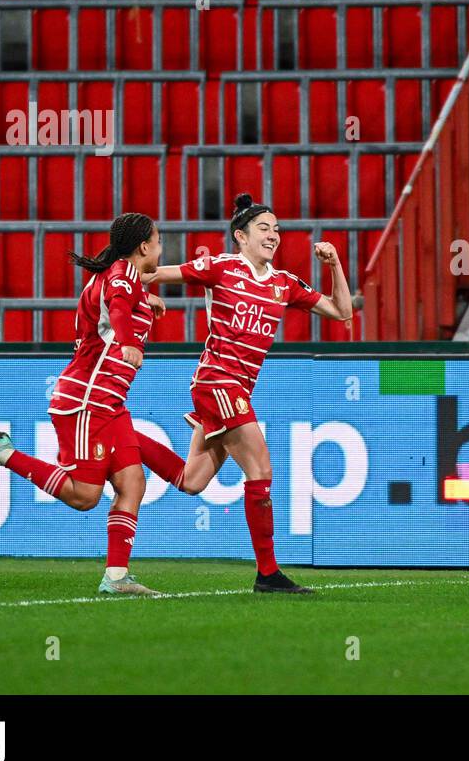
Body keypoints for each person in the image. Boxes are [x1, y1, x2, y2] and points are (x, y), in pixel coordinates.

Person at [0, 212, 188, 596]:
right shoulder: (120, 277)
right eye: (158, 241)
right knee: (84, 496)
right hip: (86, 402)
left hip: (110, 404)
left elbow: (122, 297)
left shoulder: (122, 276)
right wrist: (128, 340)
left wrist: (149, 297)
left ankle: (116, 578)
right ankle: (3, 453)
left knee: (132, 483)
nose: (161, 248)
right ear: (143, 246)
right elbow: (118, 305)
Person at [139, 194, 353, 594]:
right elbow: (150, 274)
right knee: (261, 471)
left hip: (236, 389)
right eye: (264, 228)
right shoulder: (220, 266)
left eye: (277, 229)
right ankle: (268, 574)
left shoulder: (283, 283)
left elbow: (342, 312)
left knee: (192, 481)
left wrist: (335, 265)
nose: (273, 235)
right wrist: (139, 292)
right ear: (241, 236)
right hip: (217, 382)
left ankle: (124, 439)